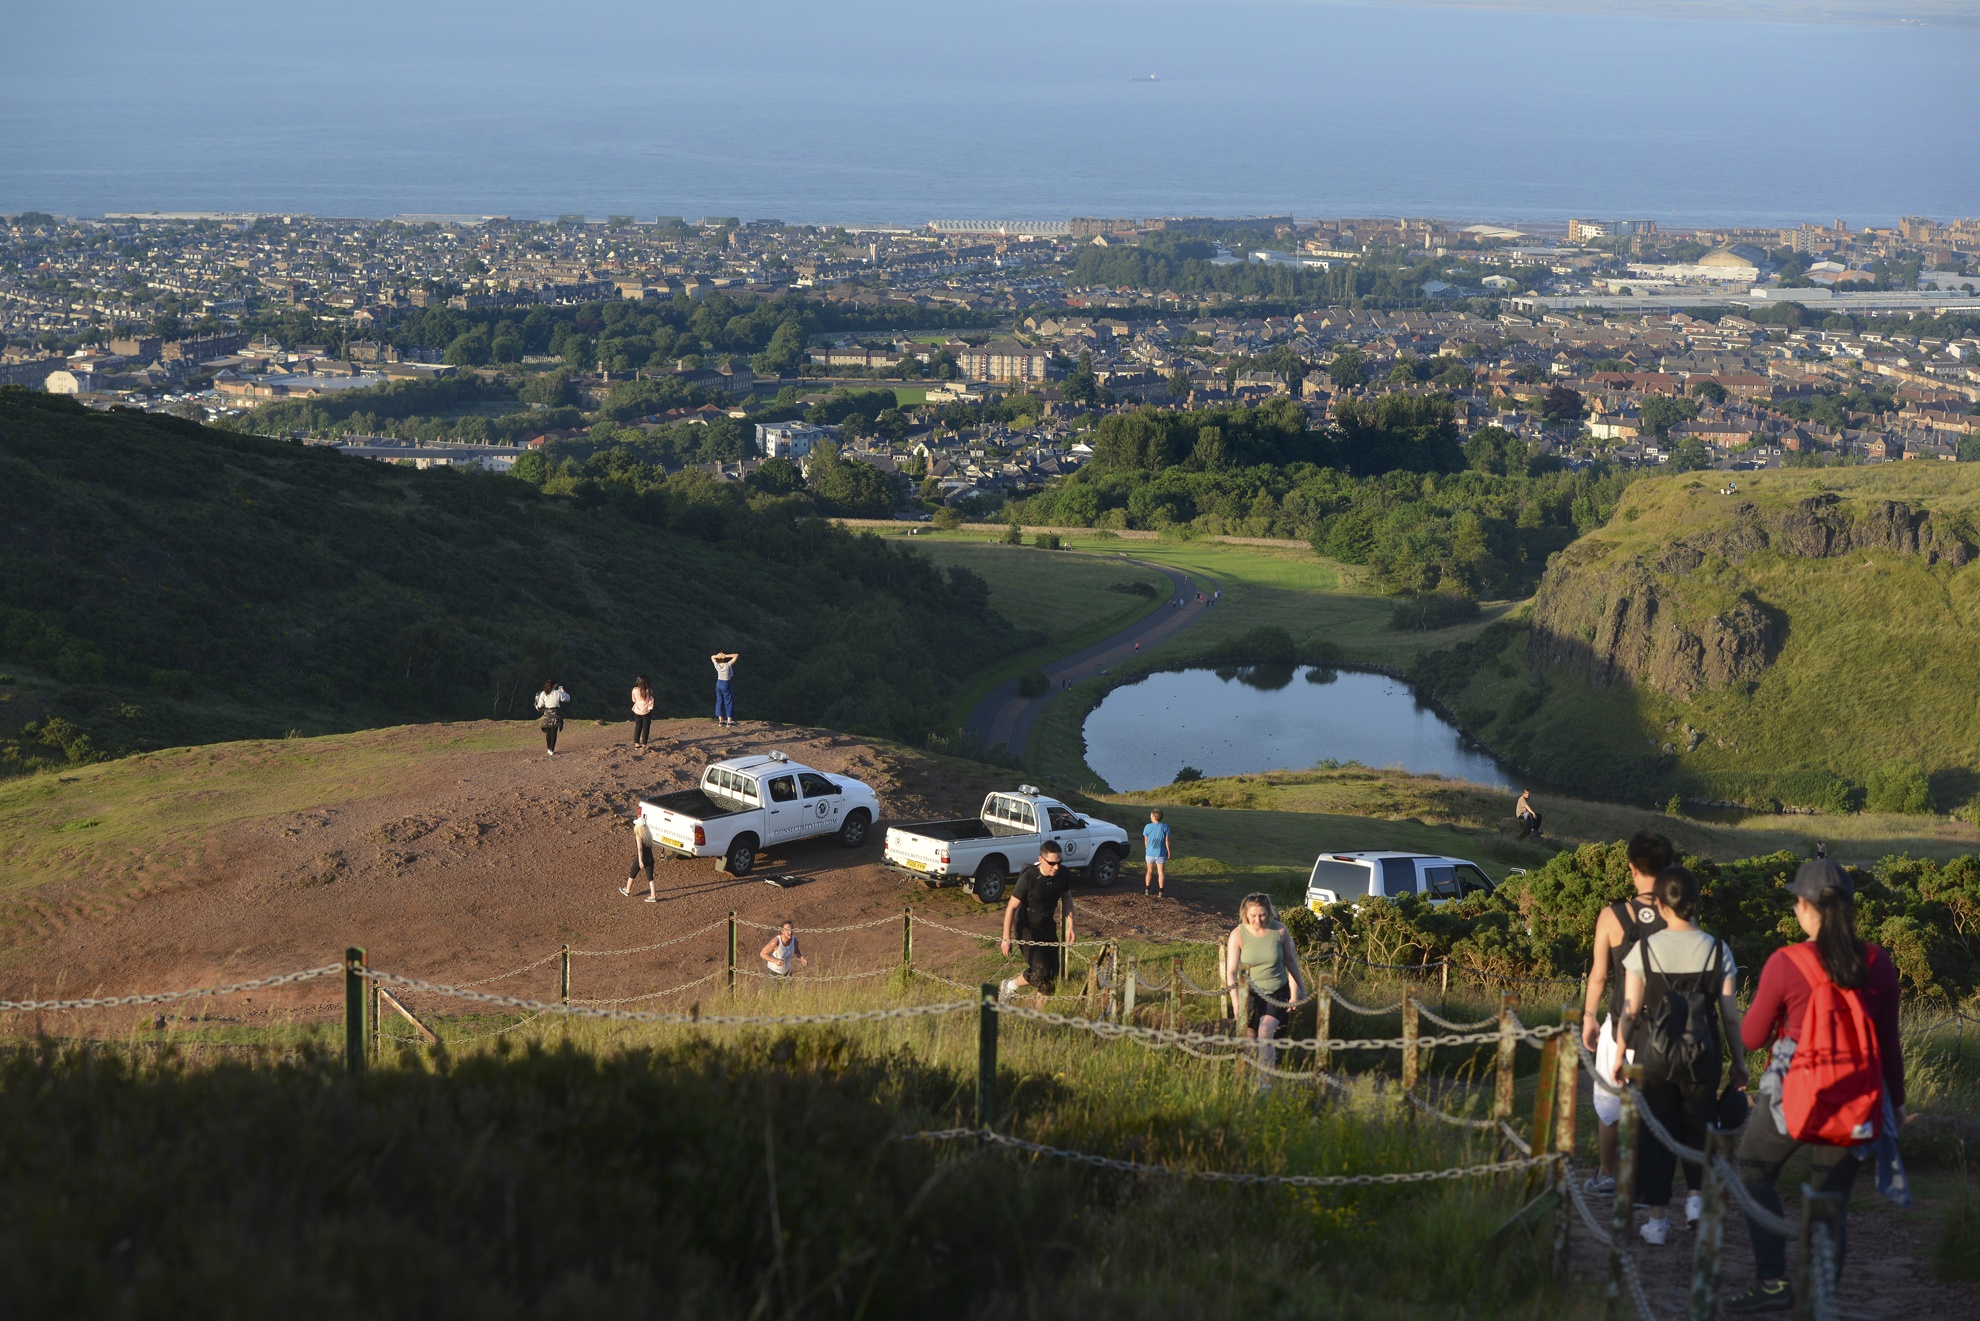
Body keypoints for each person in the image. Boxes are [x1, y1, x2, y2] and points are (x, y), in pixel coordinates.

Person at [1722, 859, 1906, 1315]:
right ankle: (1818, 1301)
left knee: (1753, 1172)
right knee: (1830, 1205)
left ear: (1804, 907)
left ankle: (1771, 1282)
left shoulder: (1787, 962)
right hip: (1856, 1096)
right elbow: (1888, 1047)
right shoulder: (1878, 963)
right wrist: (1896, 1106)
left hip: (1793, 1094)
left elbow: (1750, 1037)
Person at [1608, 865, 1747, 1246]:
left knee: (1657, 1134)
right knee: (1700, 1126)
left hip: (1654, 1054)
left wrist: (1620, 1054)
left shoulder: (1644, 950)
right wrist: (1739, 1061)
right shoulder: (1719, 949)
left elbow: (1630, 1011)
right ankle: (1696, 1203)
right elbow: (1731, 1016)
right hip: (1704, 1054)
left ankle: (1656, 1221)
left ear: (1662, 906)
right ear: (1695, 902)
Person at [1581, 830, 1675, 1195]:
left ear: (1632, 868)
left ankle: (1608, 1173)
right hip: (1668, 1026)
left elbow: (1599, 976)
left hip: (1621, 1021)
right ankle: (1652, 1180)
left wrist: (1589, 1017)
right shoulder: (1679, 916)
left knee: (1609, 1102)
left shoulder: (1612, 915)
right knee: (1659, 1106)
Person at [1226, 893, 1303, 1080]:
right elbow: (1231, 972)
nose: (1258, 920)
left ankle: (1266, 1082)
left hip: (1276, 990)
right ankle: (1248, 1078)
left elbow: (1291, 963)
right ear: (1245, 914)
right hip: (1249, 992)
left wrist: (1297, 991)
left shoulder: (1280, 931)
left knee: (1265, 1033)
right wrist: (1236, 1003)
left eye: (1262, 915)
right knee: (1249, 1037)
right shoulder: (1238, 934)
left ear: (1269, 912)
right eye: (1253, 916)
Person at [1000, 842, 1074, 1000]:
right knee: (1041, 971)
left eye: (1059, 862)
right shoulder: (1029, 878)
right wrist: (1006, 938)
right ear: (1041, 859)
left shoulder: (1063, 874)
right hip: (1027, 929)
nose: (1056, 867)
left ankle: (1041, 1017)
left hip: (1047, 927)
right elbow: (1011, 907)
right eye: (1052, 863)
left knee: (1052, 975)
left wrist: (1070, 927)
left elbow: (1067, 898)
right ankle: (1010, 985)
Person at [621, 818, 659, 901]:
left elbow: (640, 849)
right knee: (650, 878)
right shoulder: (649, 835)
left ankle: (627, 890)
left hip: (642, 857)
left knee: (632, 873)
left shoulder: (638, 835)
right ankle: (653, 896)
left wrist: (640, 860)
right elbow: (651, 847)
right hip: (650, 858)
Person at [533, 679, 571, 756]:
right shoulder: (558, 693)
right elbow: (568, 698)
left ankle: (548, 749)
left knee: (548, 732)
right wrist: (563, 690)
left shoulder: (543, 693)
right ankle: (551, 750)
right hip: (555, 713)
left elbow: (540, 705)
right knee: (554, 733)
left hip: (547, 714)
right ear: (554, 685)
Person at [1142, 808, 1171, 899]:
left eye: (1151, 815)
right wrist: (1168, 851)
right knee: (1161, 872)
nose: (1150, 816)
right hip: (1161, 853)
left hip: (1150, 852)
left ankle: (1147, 890)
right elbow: (1167, 840)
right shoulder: (1165, 827)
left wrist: (1147, 849)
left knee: (1149, 871)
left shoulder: (1147, 826)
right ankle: (1161, 892)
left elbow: (1145, 839)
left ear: (1154, 816)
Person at [710, 651, 740, 727]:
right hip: (726, 683)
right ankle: (729, 721)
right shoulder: (728, 665)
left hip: (718, 683)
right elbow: (736, 655)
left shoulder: (716, 665)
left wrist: (718, 656)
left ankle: (721, 721)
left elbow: (712, 657)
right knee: (728, 701)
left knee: (719, 700)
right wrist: (726, 655)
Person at [630, 675, 656, 750]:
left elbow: (634, 700)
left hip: (637, 710)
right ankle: (644, 744)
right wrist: (649, 708)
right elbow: (651, 701)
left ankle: (636, 744)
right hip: (646, 711)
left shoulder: (634, 690)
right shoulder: (649, 690)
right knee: (646, 728)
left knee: (638, 726)